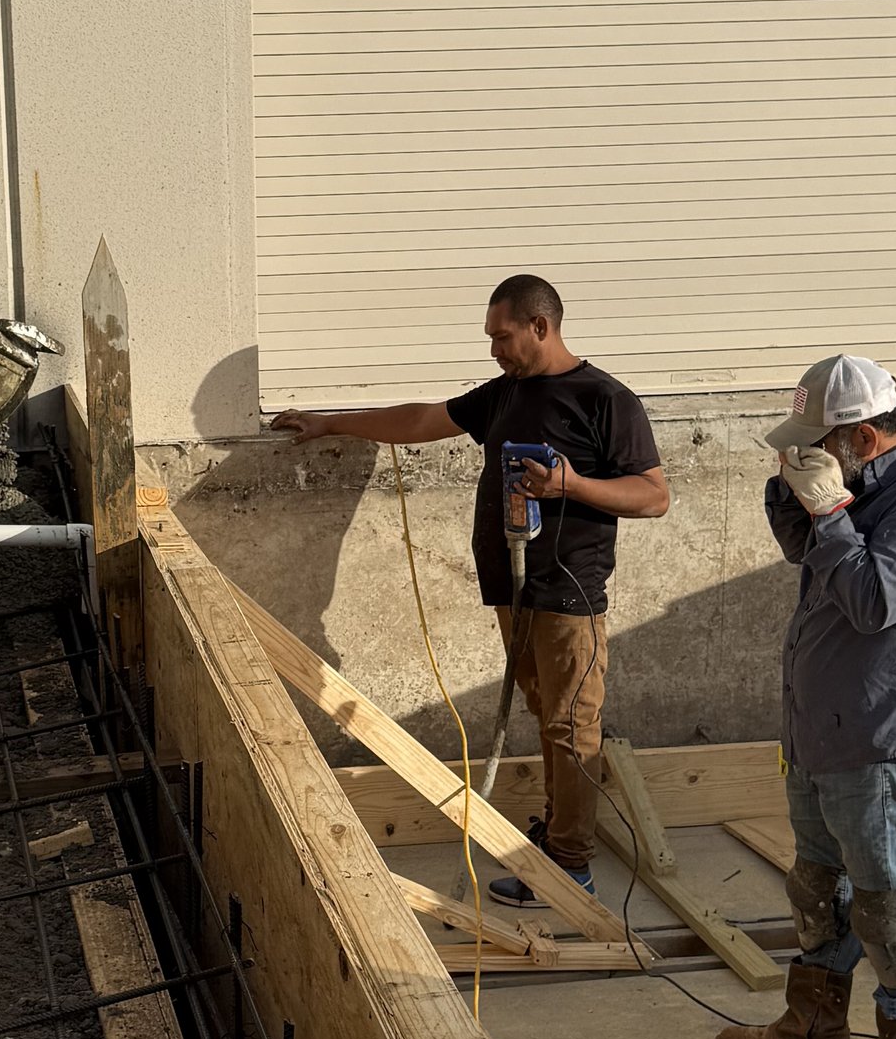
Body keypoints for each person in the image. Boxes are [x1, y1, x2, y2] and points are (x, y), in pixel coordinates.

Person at [269, 275, 667, 893]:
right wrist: (333, 424)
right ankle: (561, 829)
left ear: (541, 326)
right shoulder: (507, 393)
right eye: (491, 338)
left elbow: (653, 496)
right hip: (513, 588)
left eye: (502, 337)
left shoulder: (605, 399)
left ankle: (571, 866)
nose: (494, 350)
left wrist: (570, 487)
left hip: (568, 591)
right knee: (545, 712)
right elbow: (428, 417)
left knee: (571, 722)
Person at [714, 352, 896, 1039]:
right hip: (821, 729)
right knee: (817, 889)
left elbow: (871, 600)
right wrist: (796, 492)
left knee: (889, 907)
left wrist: (833, 516)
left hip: (880, 732)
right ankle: (815, 1027)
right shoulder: (864, 485)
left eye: (817, 444)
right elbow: (806, 551)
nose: (807, 458)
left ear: (863, 437)